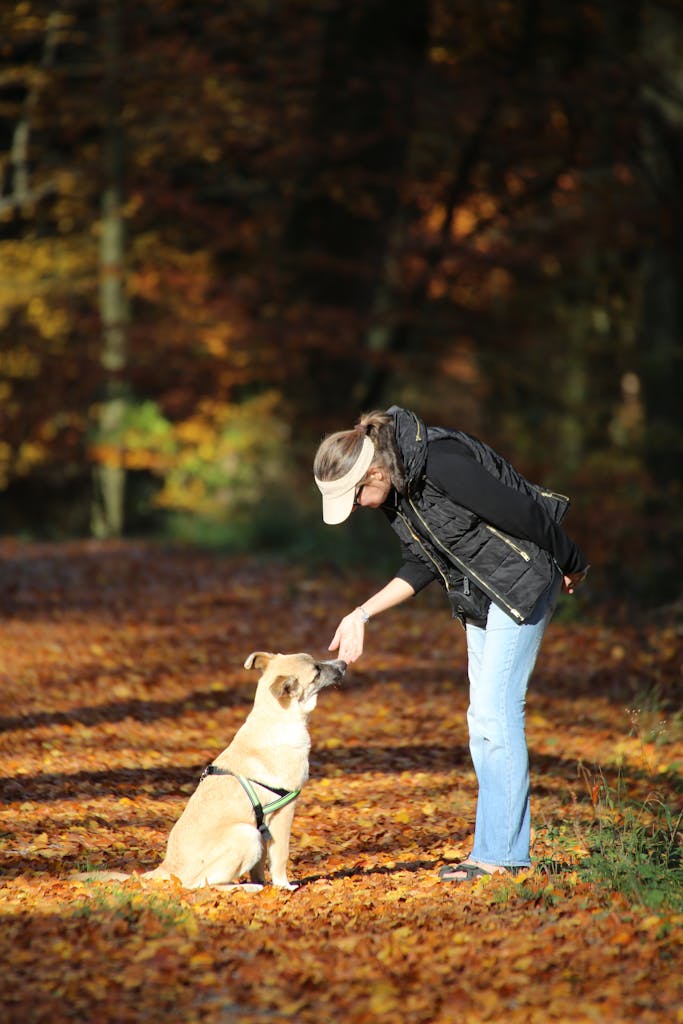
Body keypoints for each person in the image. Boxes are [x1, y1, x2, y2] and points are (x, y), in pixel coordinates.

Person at [313, 405, 588, 883]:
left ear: (373, 472)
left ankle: (503, 858)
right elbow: (420, 564)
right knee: (481, 718)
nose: (358, 507)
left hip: (522, 581)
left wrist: (571, 559)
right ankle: (492, 850)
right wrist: (360, 613)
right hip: (481, 596)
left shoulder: (439, 461)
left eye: (356, 497)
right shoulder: (397, 490)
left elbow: (521, 511)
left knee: (497, 711)